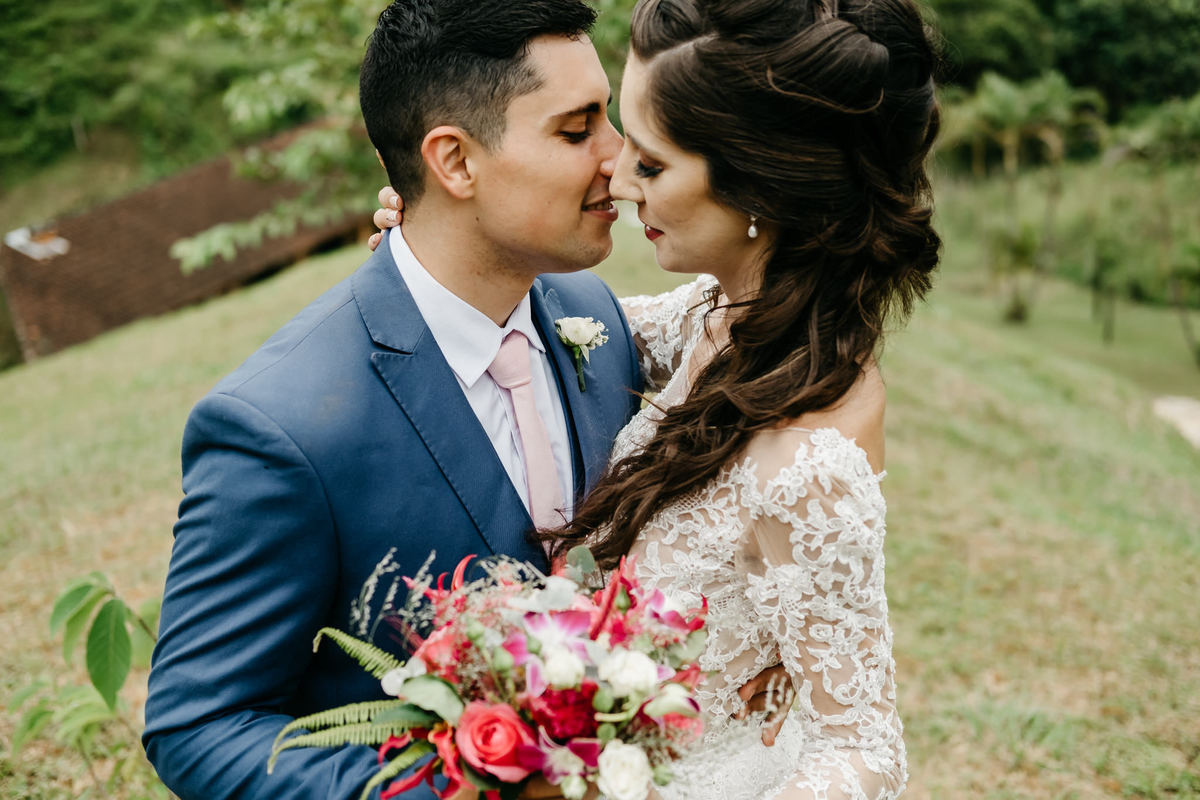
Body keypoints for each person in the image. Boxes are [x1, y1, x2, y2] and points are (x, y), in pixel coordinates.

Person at [373, 0, 941, 796]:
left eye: (650, 163)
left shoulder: (809, 463)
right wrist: (439, 230)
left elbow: (862, 753)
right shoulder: (719, 323)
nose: (615, 176)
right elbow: (547, 327)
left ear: (761, 183)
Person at [141, 3, 642, 799]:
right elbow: (197, 725)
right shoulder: (281, 427)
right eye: (578, 130)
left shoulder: (597, 317)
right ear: (455, 161)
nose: (620, 157)